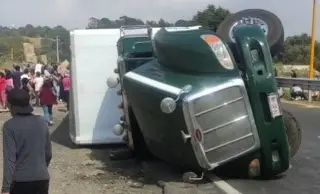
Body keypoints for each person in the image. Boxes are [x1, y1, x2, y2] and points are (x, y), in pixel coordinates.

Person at [1, 88, 52, 194]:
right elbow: (48, 154)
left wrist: (5, 188)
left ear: (11, 106)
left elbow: (10, 160)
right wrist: (39, 169)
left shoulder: (9, 126)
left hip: (20, 182)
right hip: (42, 179)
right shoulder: (42, 122)